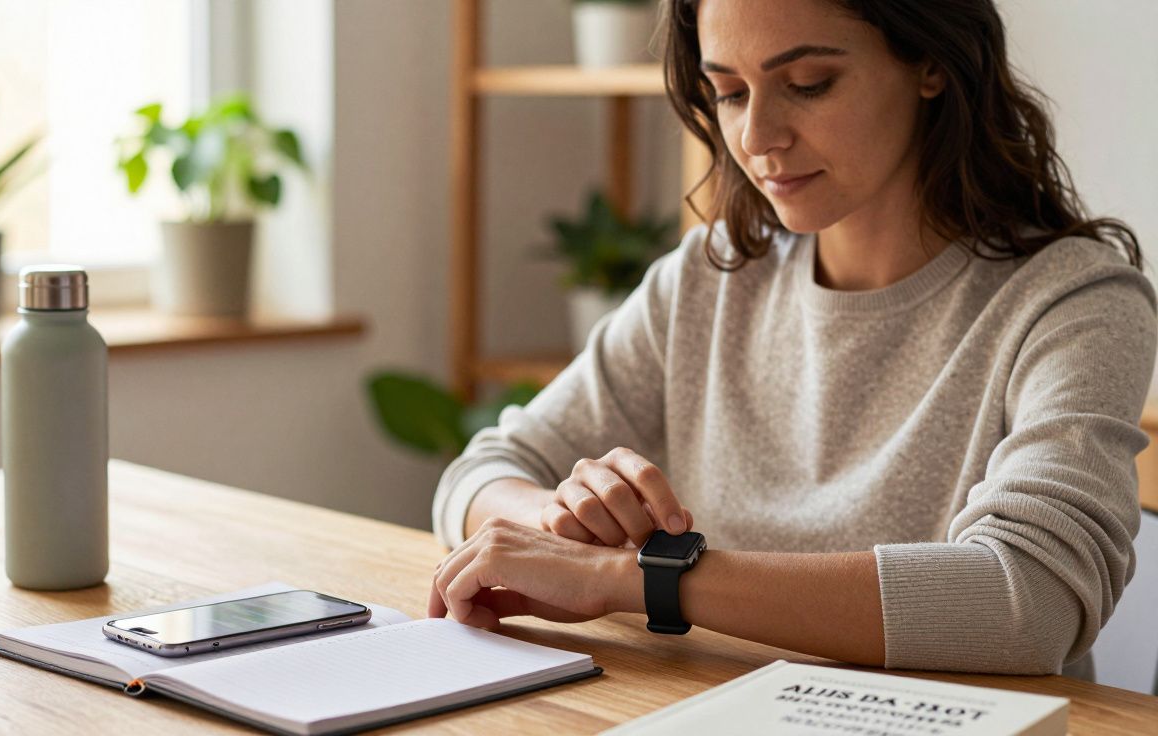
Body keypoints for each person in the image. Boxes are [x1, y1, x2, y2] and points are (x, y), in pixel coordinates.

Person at [428, 0, 1154, 677]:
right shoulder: (708, 277)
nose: (756, 138)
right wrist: (553, 526)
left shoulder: (1075, 299)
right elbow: (482, 473)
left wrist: (635, 578)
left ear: (932, 63)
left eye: (808, 83)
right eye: (731, 92)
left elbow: (1028, 601)